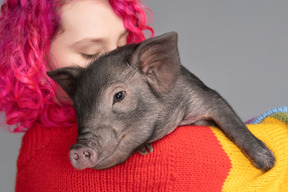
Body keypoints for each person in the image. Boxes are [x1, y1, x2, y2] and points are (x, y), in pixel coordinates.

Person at [0, 0, 287, 191]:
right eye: (90, 53)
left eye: (123, 43)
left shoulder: (31, 152)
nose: (109, 61)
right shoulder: (165, 164)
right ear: (35, 59)